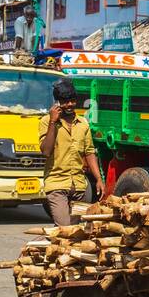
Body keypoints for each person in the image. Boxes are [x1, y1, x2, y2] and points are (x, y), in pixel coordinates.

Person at [39, 78, 103, 226]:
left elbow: (89, 152)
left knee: (77, 232)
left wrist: (99, 178)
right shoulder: (46, 121)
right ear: (57, 103)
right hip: (57, 184)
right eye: (65, 101)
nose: (69, 105)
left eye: (72, 101)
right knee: (65, 227)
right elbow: (46, 151)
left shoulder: (83, 123)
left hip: (80, 186)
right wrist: (53, 123)